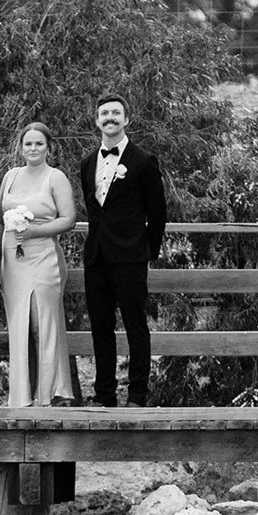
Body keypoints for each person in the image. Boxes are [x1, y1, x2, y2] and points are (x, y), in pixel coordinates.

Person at [79, 93, 167, 407]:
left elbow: (158, 214)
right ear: (97, 120)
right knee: (100, 328)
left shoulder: (143, 161)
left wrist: (147, 252)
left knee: (135, 326)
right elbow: (94, 211)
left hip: (130, 257)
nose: (110, 118)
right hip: (97, 257)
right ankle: (104, 395)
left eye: (116, 113)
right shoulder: (87, 163)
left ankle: (138, 395)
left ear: (126, 119)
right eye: (105, 113)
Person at [0, 121, 80, 407]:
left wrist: (34, 232)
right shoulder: (10, 176)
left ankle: (53, 391)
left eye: (39, 143)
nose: (33, 148)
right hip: (11, 258)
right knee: (18, 323)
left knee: (43, 322)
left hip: (43, 255)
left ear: (48, 148)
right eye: (28, 143)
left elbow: (68, 219)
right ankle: (21, 394)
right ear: (20, 147)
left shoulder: (56, 178)